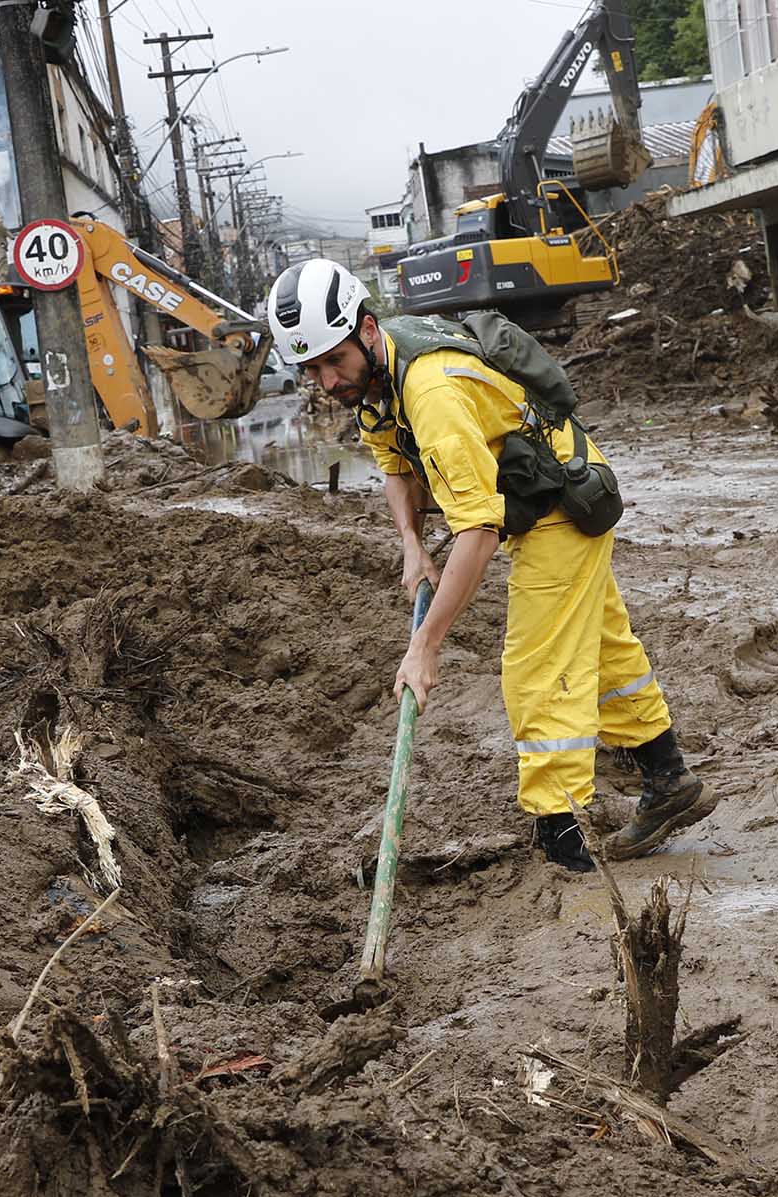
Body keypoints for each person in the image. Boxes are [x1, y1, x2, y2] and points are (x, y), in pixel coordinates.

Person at [265, 258, 717, 872]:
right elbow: (395, 465)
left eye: (332, 361)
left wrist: (425, 645)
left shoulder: (430, 392)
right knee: (605, 650)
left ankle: (564, 842)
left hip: (561, 499)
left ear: (367, 331)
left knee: (538, 666)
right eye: (311, 369)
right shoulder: (375, 380)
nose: (326, 382)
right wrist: (411, 546)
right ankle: (669, 782)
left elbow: (477, 531)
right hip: (532, 493)